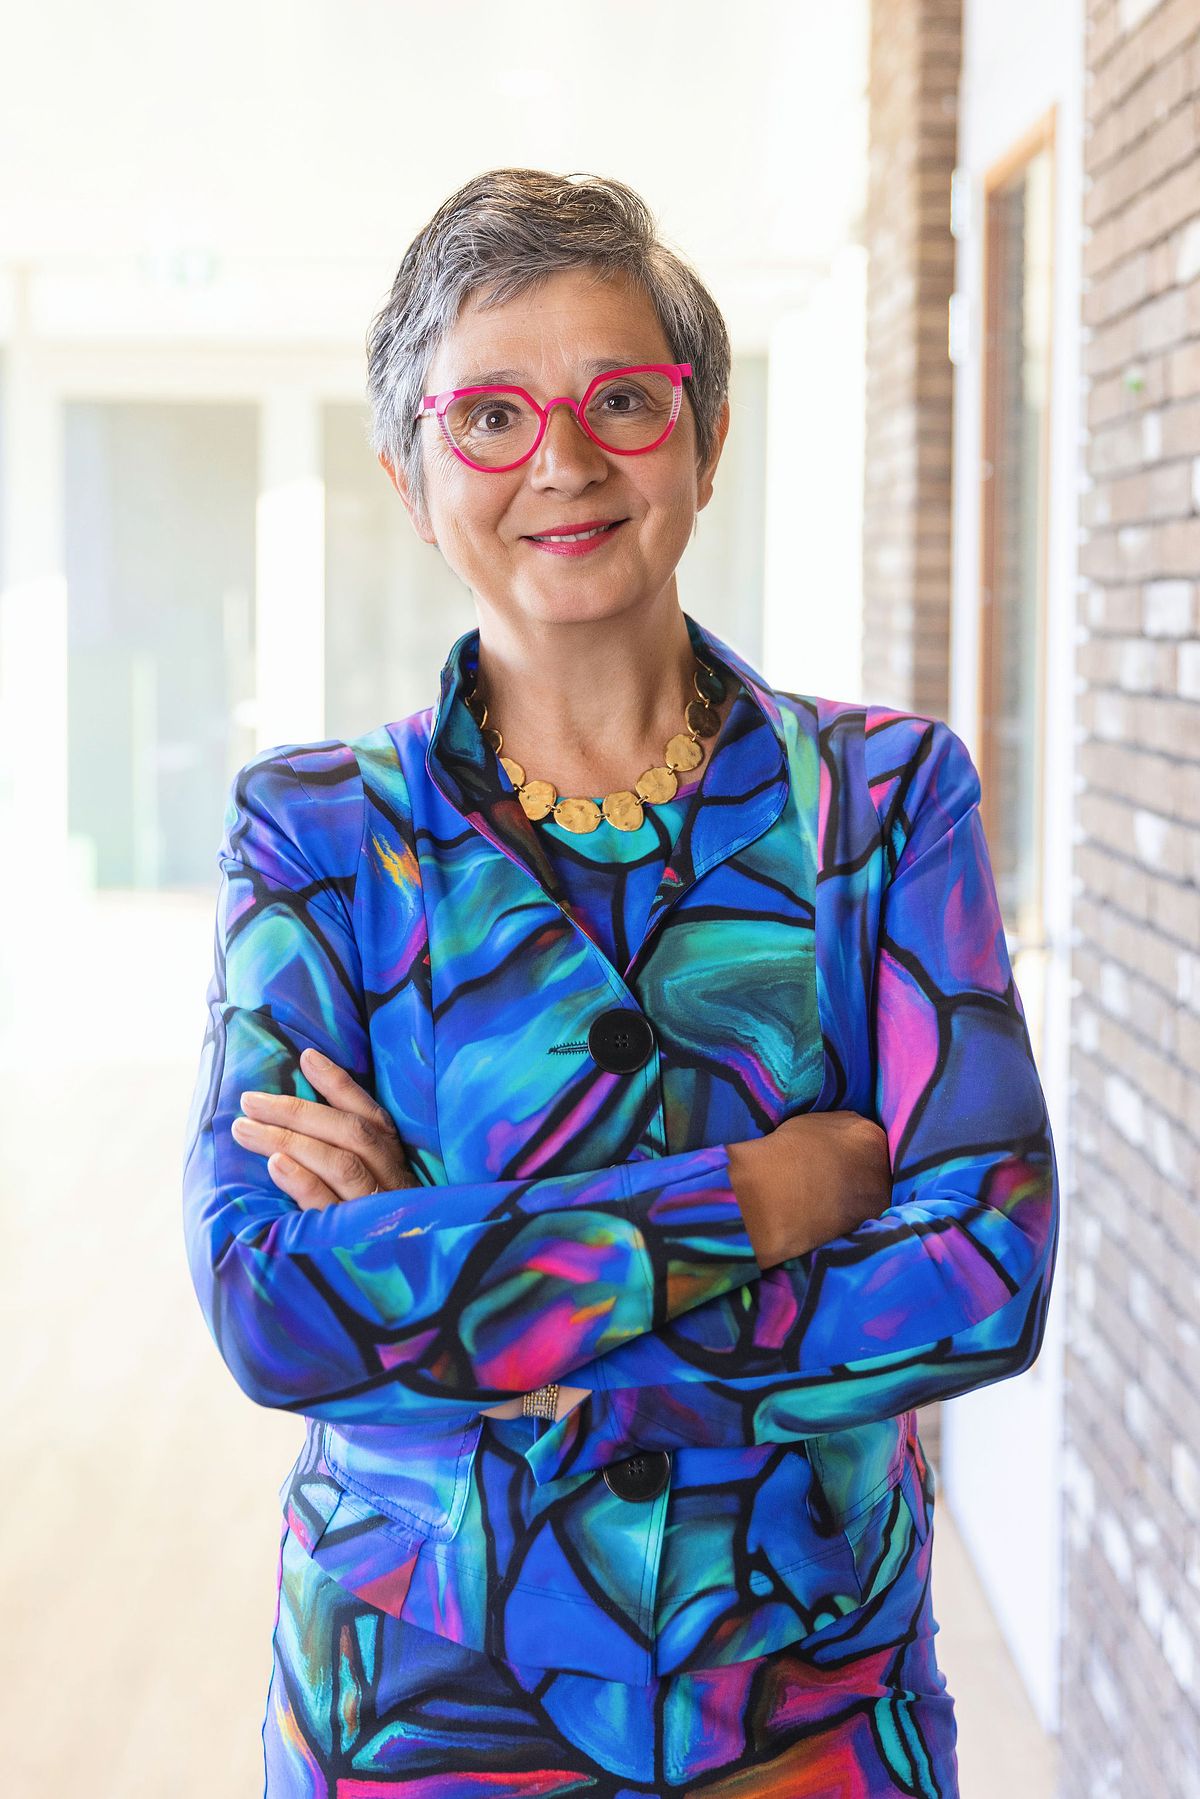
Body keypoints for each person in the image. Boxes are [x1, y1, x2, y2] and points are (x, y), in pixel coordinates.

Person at [182, 167, 1060, 1796]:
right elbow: (272, 1304)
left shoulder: (883, 800)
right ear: (409, 476)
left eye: (624, 401)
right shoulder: (313, 833)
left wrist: (458, 1281)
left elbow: (986, 1272)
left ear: (708, 438)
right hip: (423, 1697)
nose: (564, 461)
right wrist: (766, 1193)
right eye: (489, 417)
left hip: (810, 1688)